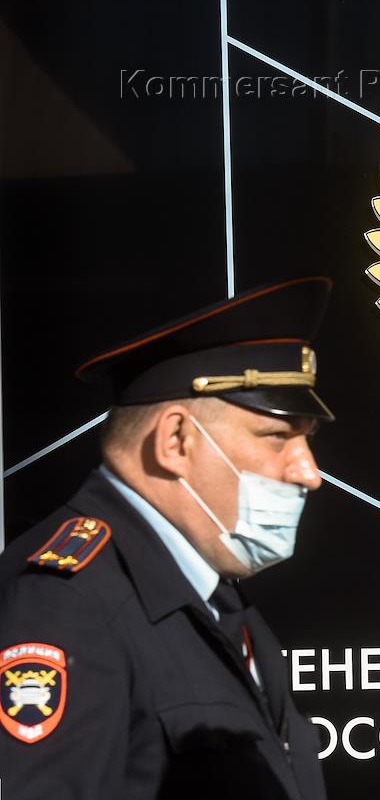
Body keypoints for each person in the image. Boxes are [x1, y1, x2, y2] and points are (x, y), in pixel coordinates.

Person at [0, 277, 335, 800]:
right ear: (176, 440)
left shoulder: (214, 598)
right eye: (277, 436)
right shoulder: (65, 605)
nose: (308, 472)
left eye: (305, 439)